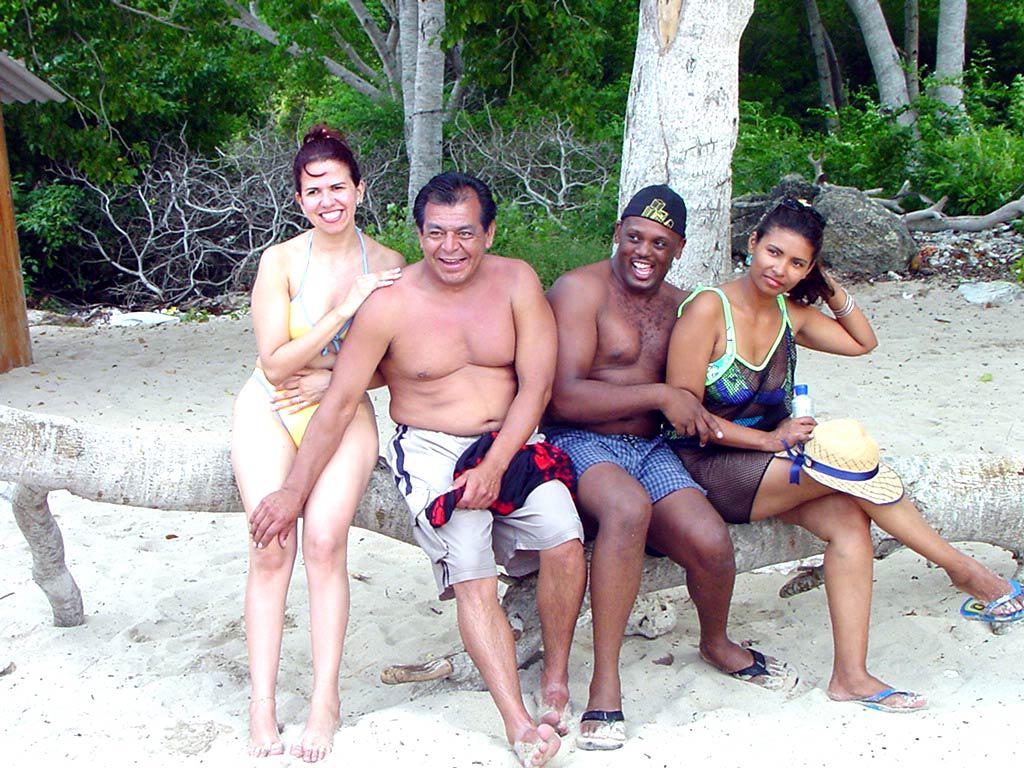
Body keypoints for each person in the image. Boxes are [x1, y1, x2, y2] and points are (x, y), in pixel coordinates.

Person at [248, 172, 587, 767]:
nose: (450, 247)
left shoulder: (517, 281)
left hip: (510, 438)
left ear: (489, 233)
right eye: (435, 233)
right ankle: (517, 723)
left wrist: (497, 463)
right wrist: (292, 491)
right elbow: (340, 402)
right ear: (420, 233)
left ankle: (555, 676)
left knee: (565, 537)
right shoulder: (390, 302)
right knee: (472, 569)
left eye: (465, 233)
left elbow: (536, 387)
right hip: (431, 447)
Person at [665, 196, 1024, 713]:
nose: (780, 270)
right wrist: (769, 440)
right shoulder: (708, 309)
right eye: (773, 253)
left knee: (850, 524)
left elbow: (863, 342)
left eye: (798, 263)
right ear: (753, 244)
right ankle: (964, 570)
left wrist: (827, 285)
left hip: (775, 464)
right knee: (850, 472)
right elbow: (684, 414)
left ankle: (850, 677)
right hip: (705, 465)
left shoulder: (791, 314)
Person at [544, 185, 792, 750]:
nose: (644, 251)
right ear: (617, 233)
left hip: (651, 448)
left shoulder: (683, 305)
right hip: (579, 440)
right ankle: (605, 683)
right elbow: (562, 398)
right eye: (634, 237)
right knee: (627, 508)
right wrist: (659, 395)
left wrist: (764, 434)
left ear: (678, 248)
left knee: (710, 541)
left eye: (659, 243)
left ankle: (716, 642)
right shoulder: (580, 290)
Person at [231, 124, 404, 761]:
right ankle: (263, 703)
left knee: (326, 543)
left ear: (359, 188)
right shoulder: (279, 261)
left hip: (344, 409)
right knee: (271, 543)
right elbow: (275, 363)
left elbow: (397, 364)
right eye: (313, 191)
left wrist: (335, 376)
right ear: (299, 199)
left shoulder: (388, 264)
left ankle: (324, 698)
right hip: (272, 405)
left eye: (337, 187)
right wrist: (345, 309)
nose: (327, 201)